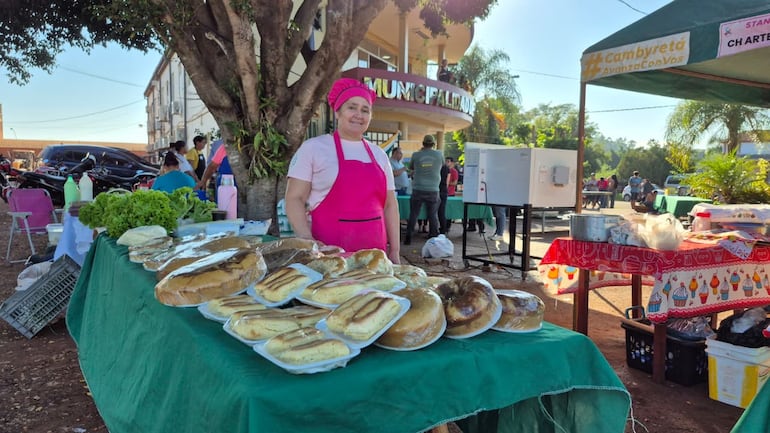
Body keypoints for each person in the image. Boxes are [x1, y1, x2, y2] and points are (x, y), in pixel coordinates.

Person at [285, 78, 400, 263]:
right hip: (328, 255)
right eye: (352, 107)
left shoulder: (379, 155)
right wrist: (308, 241)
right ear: (337, 111)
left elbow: (390, 206)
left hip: (375, 258)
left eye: (365, 110)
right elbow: (294, 198)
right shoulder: (313, 148)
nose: (358, 115)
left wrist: (394, 251)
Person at [405, 134, 443, 245]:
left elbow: (411, 167)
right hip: (433, 189)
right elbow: (443, 165)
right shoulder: (439, 155)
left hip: (418, 188)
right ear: (433, 144)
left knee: (414, 213)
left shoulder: (416, 155)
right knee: (432, 214)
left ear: (423, 144)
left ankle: (408, 236)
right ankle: (433, 238)